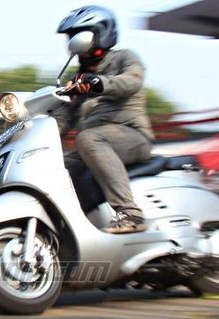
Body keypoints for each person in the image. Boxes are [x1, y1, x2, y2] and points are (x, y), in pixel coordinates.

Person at [54, 5, 154, 234]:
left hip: (132, 136)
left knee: (88, 138)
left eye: (76, 35)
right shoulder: (78, 78)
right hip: (96, 142)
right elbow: (63, 117)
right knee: (55, 166)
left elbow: (132, 81)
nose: (72, 41)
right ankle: (62, 225)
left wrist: (100, 83)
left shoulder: (124, 58)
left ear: (100, 33)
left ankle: (130, 213)